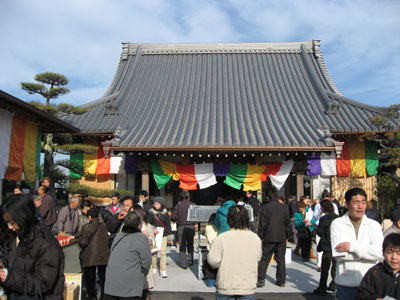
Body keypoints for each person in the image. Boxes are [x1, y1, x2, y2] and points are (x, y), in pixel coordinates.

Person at [0, 194, 65, 299]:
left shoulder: (46, 243)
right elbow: (10, 257)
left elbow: (43, 283)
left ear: (24, 218)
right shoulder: (15, 235)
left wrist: (8, 277)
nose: (9, 227)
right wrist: (2, 262)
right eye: (7, 222)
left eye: (12, 222)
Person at [330, 187, 383, 300]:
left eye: (363, 202)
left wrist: (352, 247)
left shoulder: (374, 226)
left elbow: (379, 253)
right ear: (347, 204)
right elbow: (339, 255)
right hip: (346, 286)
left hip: (370, 285)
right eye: (356, 202)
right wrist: (368, 253)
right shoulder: (338, 224)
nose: (360, 206)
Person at [208, 205, 262, 300]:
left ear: (229, 219)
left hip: (226, 284)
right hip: (247, 285)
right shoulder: (255, 238)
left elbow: (213, 261)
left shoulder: (221, 238)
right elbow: (258, 258)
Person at [105, 211, 152, 300]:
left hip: (111, 283)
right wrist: (141, 274)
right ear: (139, 225)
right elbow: (146, 261)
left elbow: (112, 252)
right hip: (130, 286)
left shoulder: (118, 236)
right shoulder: (141, 238)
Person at [257, 189, 290, 288]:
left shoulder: (265, 207)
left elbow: (262, 223)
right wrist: (288, 235)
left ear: (268, 197)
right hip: (281, 236)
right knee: (280, 259)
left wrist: (261, 235)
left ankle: (261, 279)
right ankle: (281, 281)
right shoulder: (284, 207)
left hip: (269, 236)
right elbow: (287, 222)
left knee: (265, 258)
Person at [357, 233, 400, 299]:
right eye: (389, 252)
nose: (394, 257)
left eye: (398, 253)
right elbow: (362, 295)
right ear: (383, 252)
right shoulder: (374, 272)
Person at [79, 208, 110, 300]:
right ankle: (104, 295)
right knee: (103, 276)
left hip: (90, 255)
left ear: (89, 216)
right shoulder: (104, 226)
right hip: (104, 255)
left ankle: (92, 296)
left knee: (90, 277)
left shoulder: (86, 227)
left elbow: (83, 242)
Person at [314, 200, 339, 295]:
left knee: (325, 268)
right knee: (335, 267)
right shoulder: (338, 218)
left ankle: (322, 286)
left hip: (327, 245)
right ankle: (334, 284)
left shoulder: (324, 219)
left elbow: (319, 232)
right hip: (336, 245)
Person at [130, 204, 156, 300]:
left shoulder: (147, 226)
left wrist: (146, 236)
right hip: (131, 262)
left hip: (143, 262)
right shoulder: (127, 226)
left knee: (144, 290)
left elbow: (152, 242)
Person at [171, 190, 197, 269]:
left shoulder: (178, 206)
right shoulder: (193, 205)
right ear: (188, 197)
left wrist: (178, 218)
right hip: (191, 226)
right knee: (190, 244)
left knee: (182, 245)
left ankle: (184, 264)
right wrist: (195, 223)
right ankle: (191, 261)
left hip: (181, 226)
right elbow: (197, 216)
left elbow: (173, 217)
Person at [148, 196, 171, 278]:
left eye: (157, 204)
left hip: (163, 234)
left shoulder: (165, 212)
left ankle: (163, 270)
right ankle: (154, 267)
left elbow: (168, 224)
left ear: (161, 204)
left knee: (163, 253)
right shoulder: (151, 212)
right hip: (154, 235)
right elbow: (148, 224)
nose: (156, 205)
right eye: (154, 204)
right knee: (154, 252)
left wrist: (170, 237)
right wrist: (153, 229)